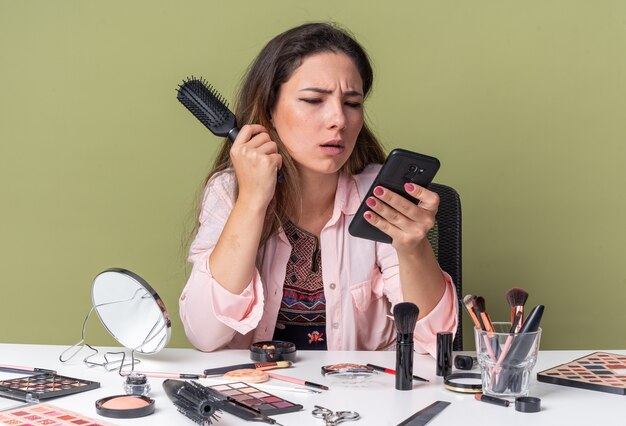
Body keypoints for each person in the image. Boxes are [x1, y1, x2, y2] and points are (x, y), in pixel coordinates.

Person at [179, 22, 457, 356]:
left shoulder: (382, 195)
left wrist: (413, 248)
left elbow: (436, 341)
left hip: (362, 396)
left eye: (352, 103)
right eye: (313, 100)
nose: (339, 119)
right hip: (262, 392)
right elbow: (205, 334)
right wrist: (252, 201)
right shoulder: (228, 193)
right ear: (269, 109)